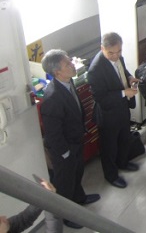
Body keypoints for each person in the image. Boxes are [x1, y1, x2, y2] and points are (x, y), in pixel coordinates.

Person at [40, 49, 100, 229]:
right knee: (65, 182)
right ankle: (67, 215)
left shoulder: (68, 82)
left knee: (77, 173)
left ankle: (80, 198)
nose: (72, 65)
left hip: (76, 141)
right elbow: (53, 134)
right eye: (68, 64)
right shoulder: (52, 98)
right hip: (65, 149)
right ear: (57, 72)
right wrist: (65, 153)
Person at [87, 32, 140, 189]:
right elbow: (101, 98)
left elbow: (123, 71)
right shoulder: (95, 70)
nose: (116, 56)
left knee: (124, 138)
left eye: (119, 52)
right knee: (109, 147)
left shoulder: (118, 57)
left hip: (122, 108)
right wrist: (124, 93)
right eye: (111, 53)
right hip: (108, 114)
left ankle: (123, 162)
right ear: (102, 48)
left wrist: (130, 78)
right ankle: (111, 175)